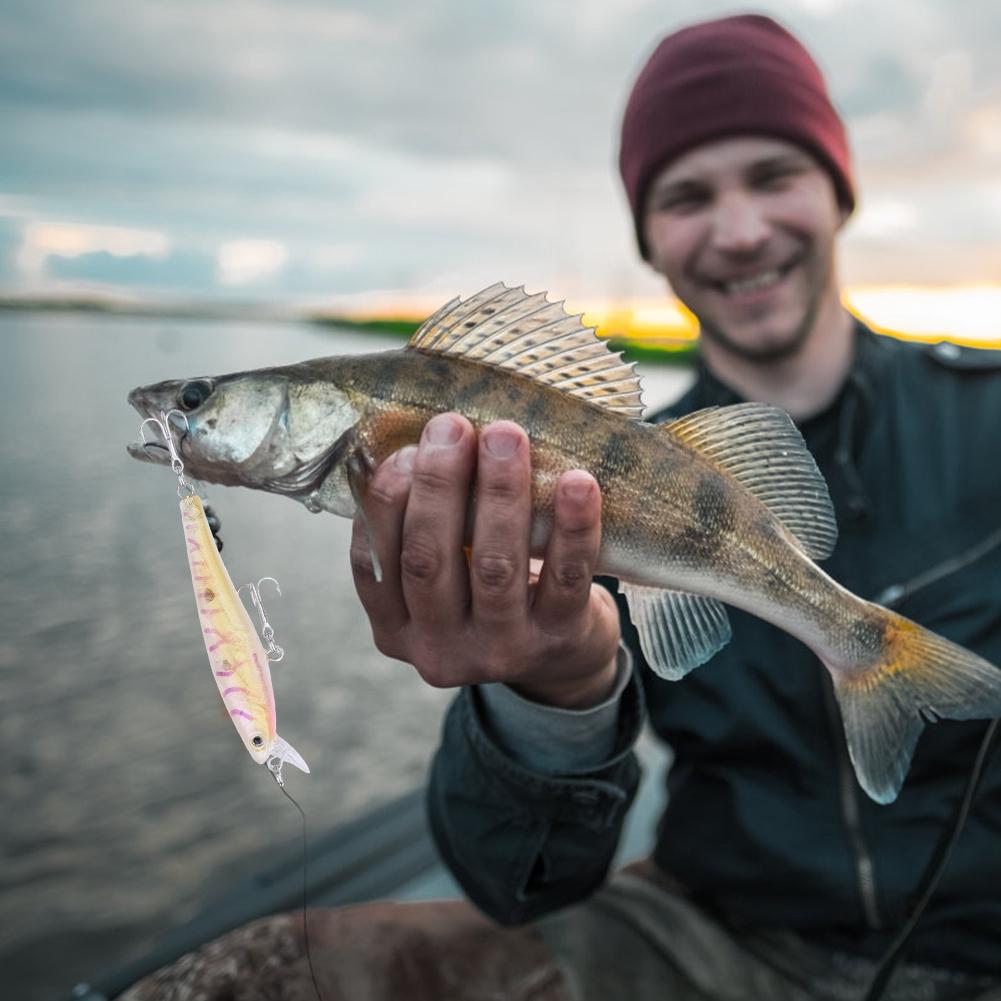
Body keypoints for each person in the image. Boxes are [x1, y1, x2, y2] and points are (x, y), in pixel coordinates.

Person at [122, 13, 1001, 1001]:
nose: (739, 228)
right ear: (649, 237)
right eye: (685, 196)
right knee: (252, 977)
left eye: (772, 175)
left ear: (836, 192)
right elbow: (521, 883)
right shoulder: (610, 471)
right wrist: (553, 689)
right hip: (710, 933)